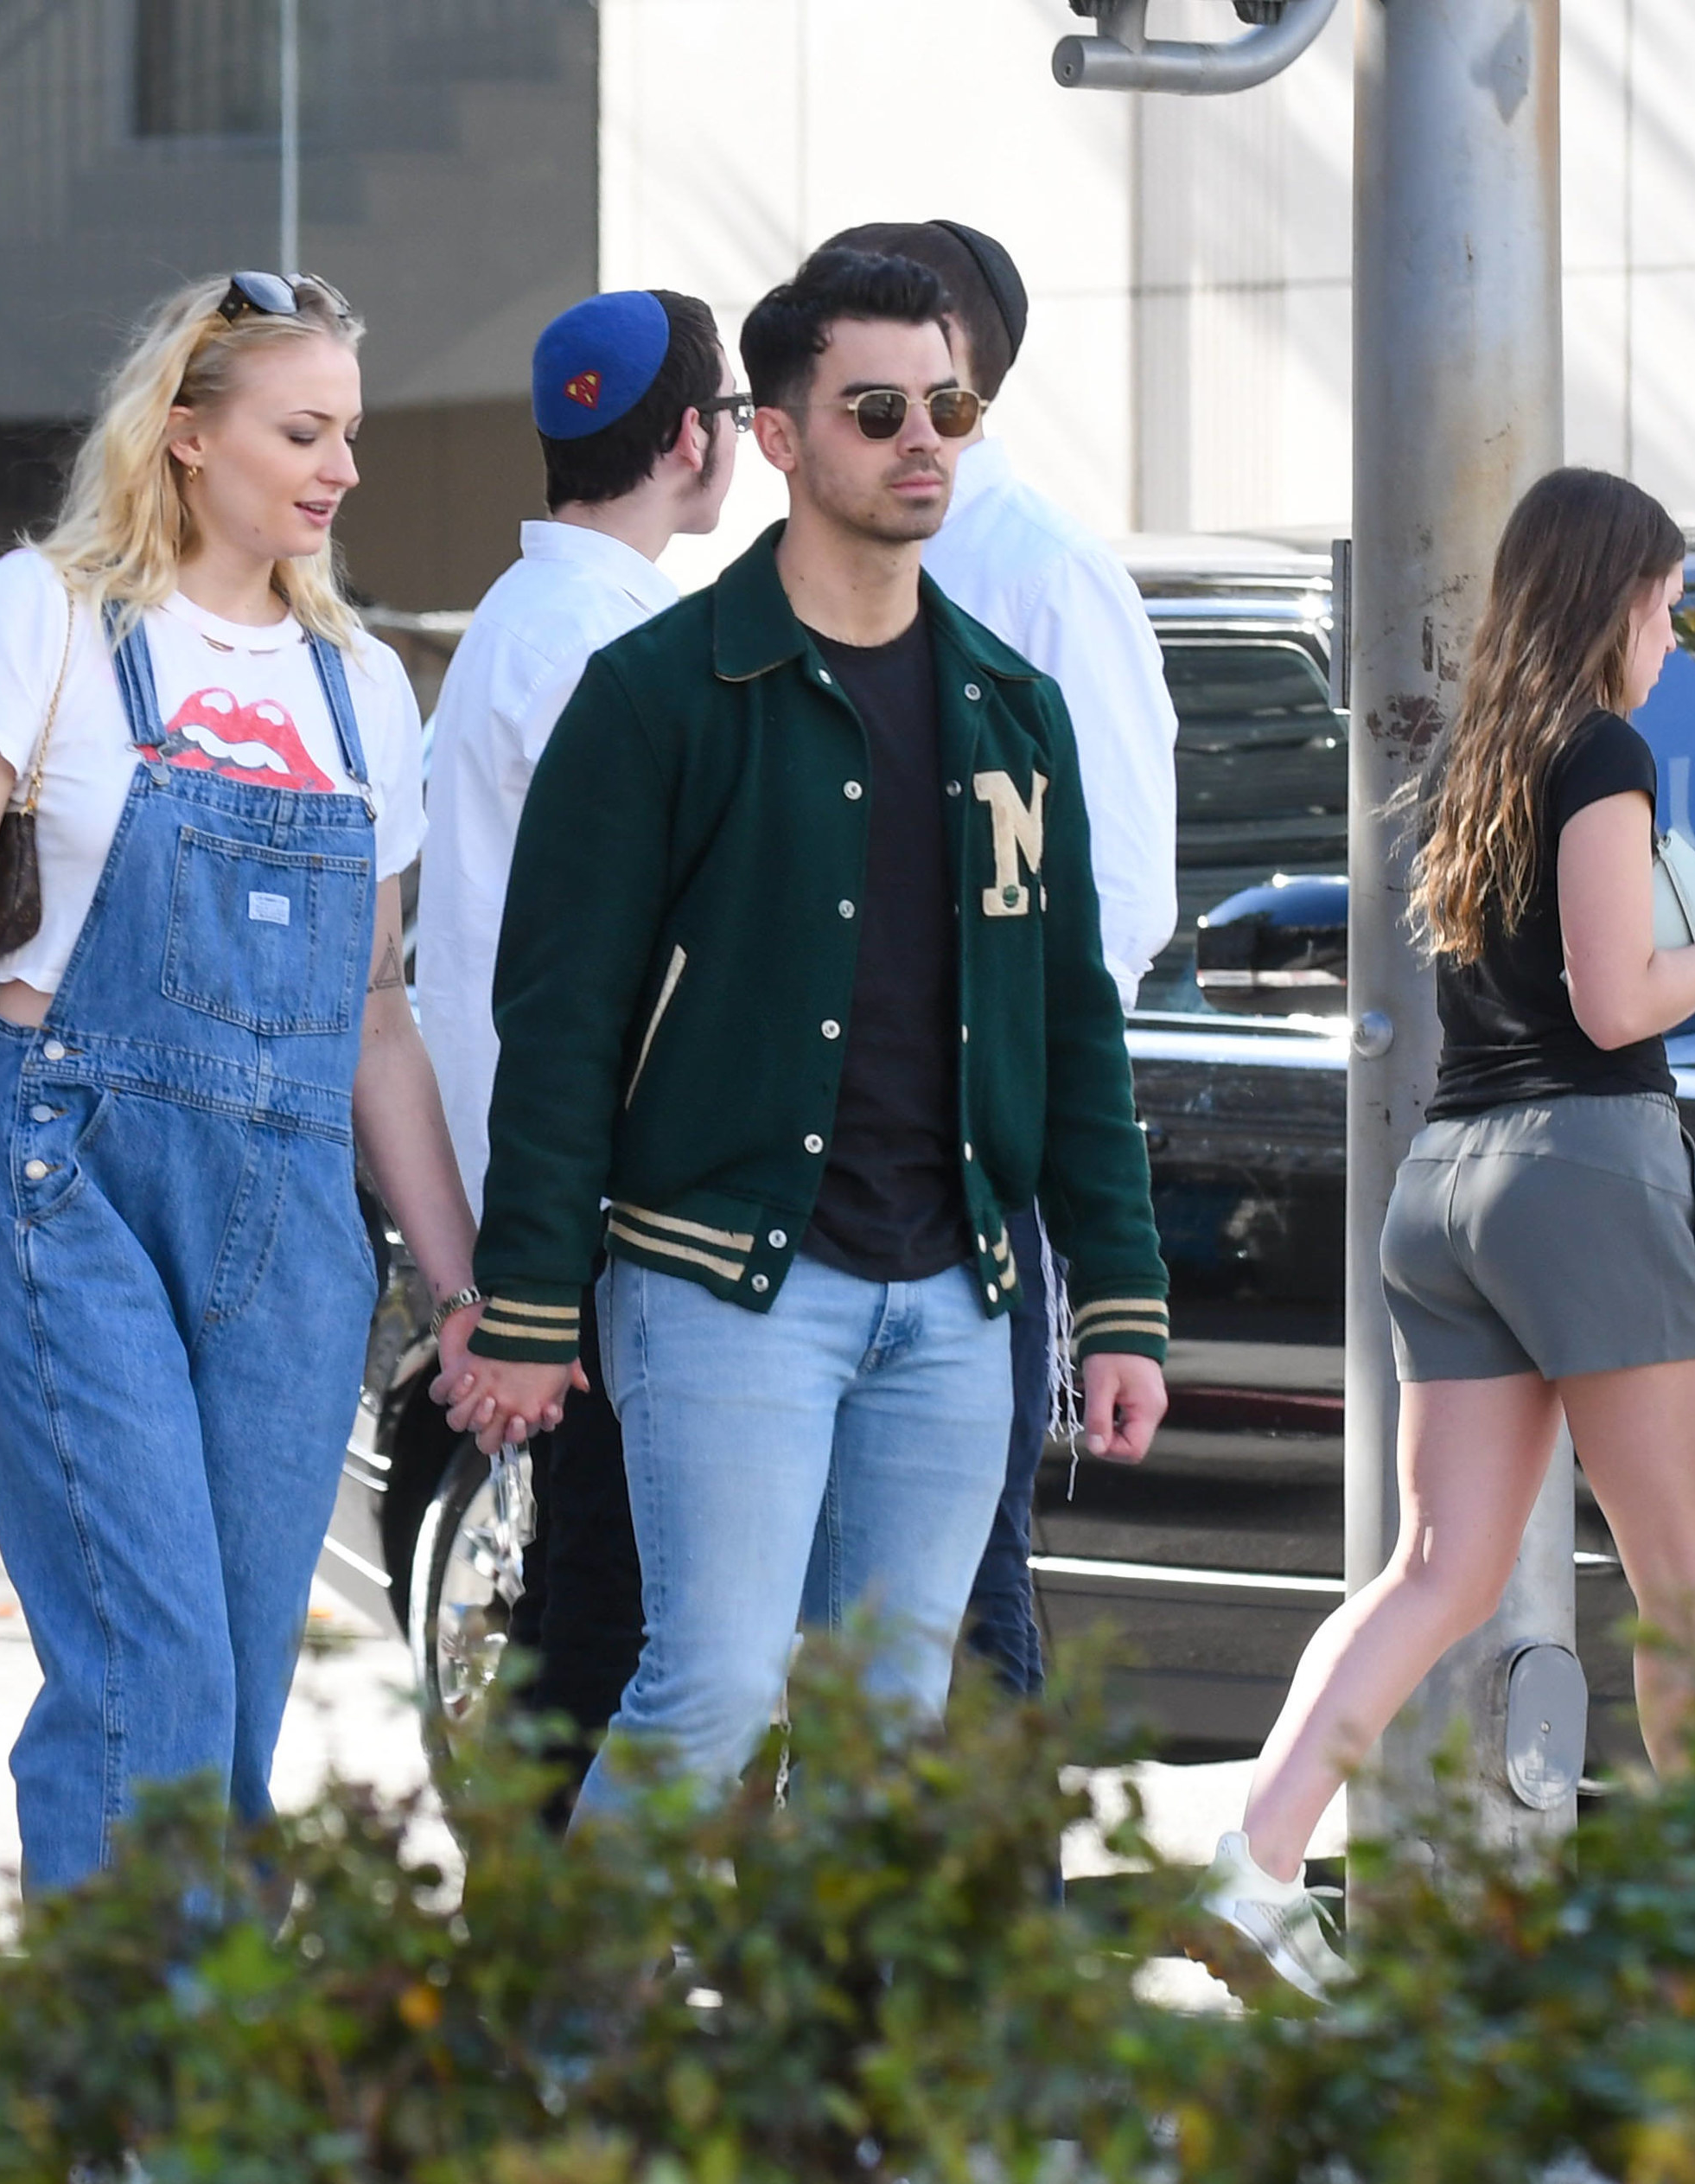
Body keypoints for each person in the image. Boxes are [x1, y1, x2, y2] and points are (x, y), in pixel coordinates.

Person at [443, 247, 1171, 1819]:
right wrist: (525, 1296)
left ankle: (823, 2068)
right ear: (775, 437)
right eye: (878, 408)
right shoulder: (658, 694)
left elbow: (1073, 1022)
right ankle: (564, 2061)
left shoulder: (1011, 709)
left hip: (957, 1298)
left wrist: (1118, 1293)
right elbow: (558, 1020)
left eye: (949, 404)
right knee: (703, 1693)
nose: (926, 438)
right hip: (721, 1281)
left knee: (888, 1734)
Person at [0, 271, 485, 1893]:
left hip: (296, 1226)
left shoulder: (364, 685)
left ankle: (194, 2092)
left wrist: (468, 1289)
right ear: (187, 437)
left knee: (237, 1701)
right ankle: (123, 2110)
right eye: (301, 431)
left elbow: (377, 1017)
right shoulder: (35, 619)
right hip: (79, 1181)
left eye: (350, 436)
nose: (340, 470)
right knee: (148, 1671)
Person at [1198, 468, 1695, 2000]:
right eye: (1665, 606)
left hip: (1453, 1181)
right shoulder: (1602, 753)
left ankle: (1255, 1854)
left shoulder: (1481, 759)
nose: (1671, 640)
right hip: (1593, 1168)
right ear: (1612, 594)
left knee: (1437, 1567)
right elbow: (1617, 1007)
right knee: (1691, 1587)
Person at [822, 217, 1180, 1706]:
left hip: (970, 1183)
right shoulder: (817, 580)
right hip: (819, 1189)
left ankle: (989, 1941)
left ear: (947, 371)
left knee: (966, 1616)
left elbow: (1112, 913)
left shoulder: (1042, 577)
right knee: (837, 1637)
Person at [415, 288, 742, 1765]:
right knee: (608, 1609)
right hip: (598, 1206)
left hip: (544, 1188)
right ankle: (545, 1955)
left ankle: (551, 1946)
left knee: (595, 1600)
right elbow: (629, 958)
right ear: (693, 439)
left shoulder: (527, 617)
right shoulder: (614, 647)